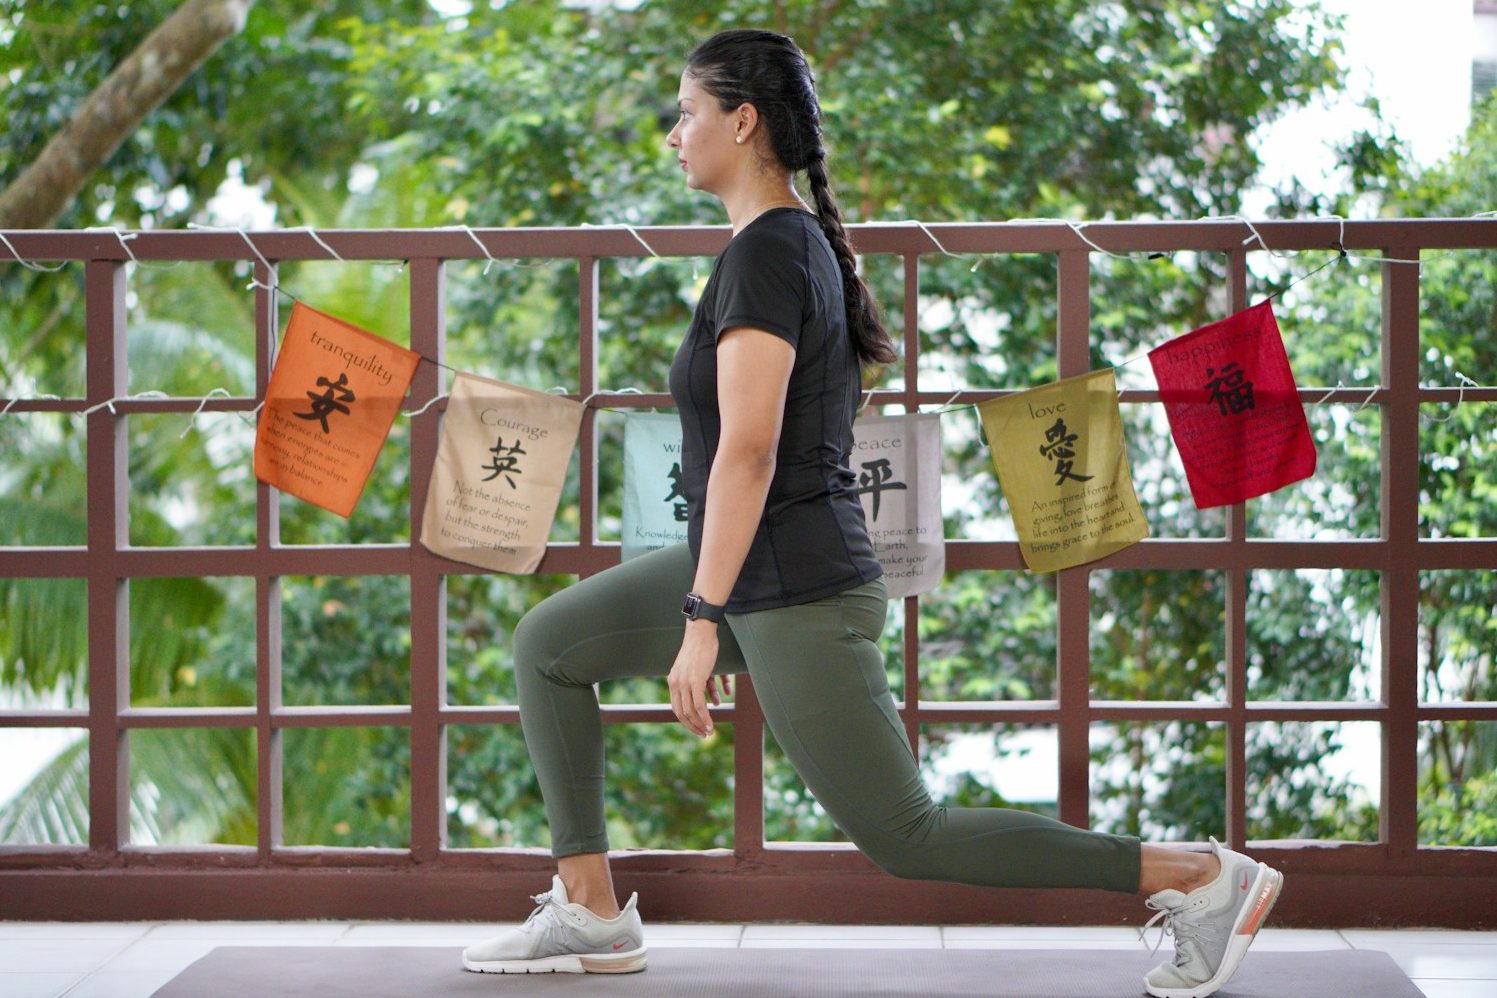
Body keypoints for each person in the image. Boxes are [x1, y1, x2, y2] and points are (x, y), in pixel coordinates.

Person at [460, 28, 1283, 998]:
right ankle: (591, 909)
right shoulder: (778, 245)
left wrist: (698, 619)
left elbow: (753, 449)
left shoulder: (770, 253)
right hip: (756, 571)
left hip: (797, 587)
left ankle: (1198, 874)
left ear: (743, 118)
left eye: (686, 112)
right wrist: (712, 601)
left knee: (906, 833)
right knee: (550, 640)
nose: (673, 133)